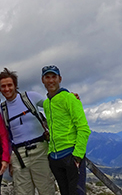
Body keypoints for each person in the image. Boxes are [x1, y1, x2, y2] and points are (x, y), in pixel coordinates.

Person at [0, 68, 55, 195]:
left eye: (9, 85)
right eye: (3, 86)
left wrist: (68, 96)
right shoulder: (1, 109)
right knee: (22, 192)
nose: (7, 89)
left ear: (15, 85)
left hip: (41, 150)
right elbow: (4, 136)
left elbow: (54, 105)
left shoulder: (30, 97)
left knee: (46, 190)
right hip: (18, 156)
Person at [41, 65, 91, 195]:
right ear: (43, 80)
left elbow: (83, 128)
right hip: (55, 158)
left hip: (71, 155)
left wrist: (77, 157)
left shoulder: (69, 98)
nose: (51, 80)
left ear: (60, 79)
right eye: (47, 77)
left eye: (54, 77)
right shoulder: (46, 104)